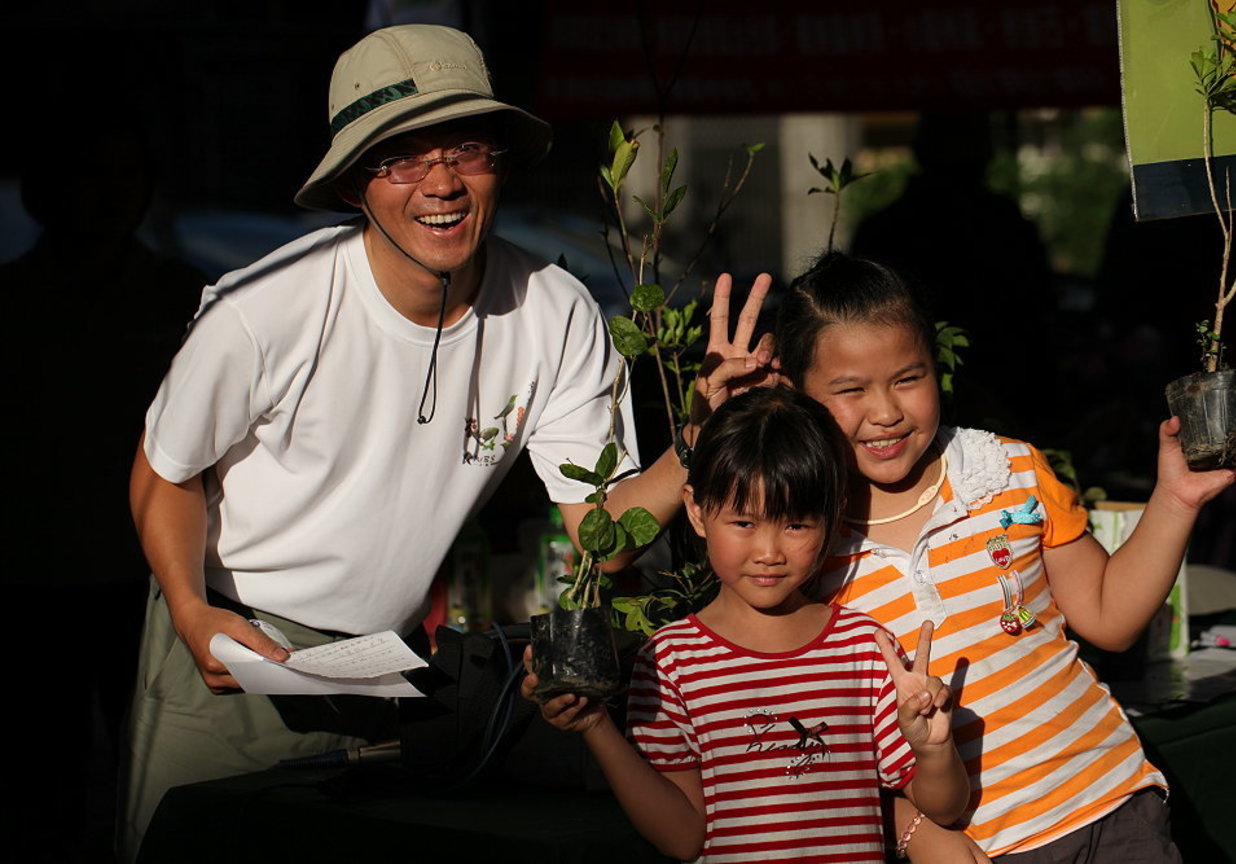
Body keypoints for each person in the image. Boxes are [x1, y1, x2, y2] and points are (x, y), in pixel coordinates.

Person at [119, 24, 774, 859]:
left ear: (499, 164)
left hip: (381, 665)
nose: (440, 182)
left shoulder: (555, 311)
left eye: (466, 147)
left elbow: (600, 539)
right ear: (358, 184)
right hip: (231, 643)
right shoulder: (262, 308)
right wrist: (189, 606)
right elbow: (161, 471)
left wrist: (698, 445)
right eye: (401, 157)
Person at [776, 251, 1236, 862]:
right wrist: (917, 831)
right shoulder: (794, 541)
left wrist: (1175, 500)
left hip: (1111, 805)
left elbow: (1109, 618)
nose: (886, 412)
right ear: (795, 392)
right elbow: (812, 751)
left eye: (908, 378)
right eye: (850, 390)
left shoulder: (1006, 470)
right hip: (980, 850)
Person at [526, 387, 971, 863]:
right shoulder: (669, 661)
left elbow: (943, 807)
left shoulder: (863, 648)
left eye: (796, 525)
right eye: (743, 523)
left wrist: (933, 748)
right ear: (697, 511)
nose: (768, 552)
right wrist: (595, 725)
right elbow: (682, 838)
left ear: (833, 513)